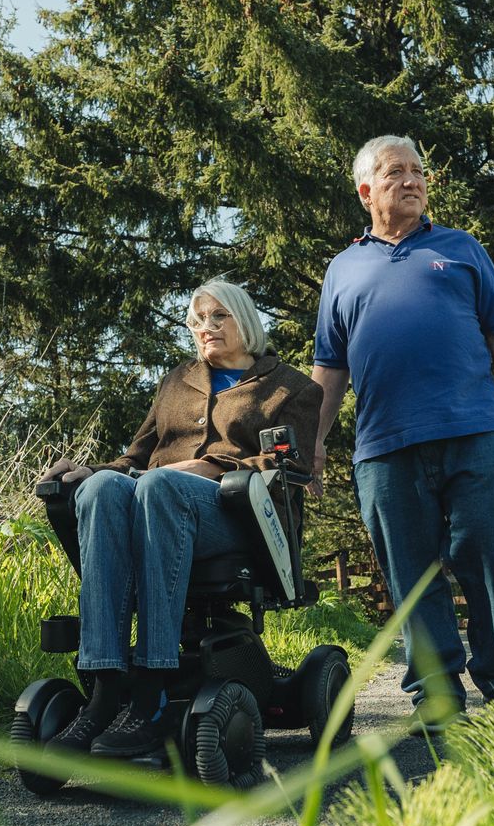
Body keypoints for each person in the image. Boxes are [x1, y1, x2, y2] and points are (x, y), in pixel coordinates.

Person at [41, 280, 323, 758]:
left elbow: (288, 467)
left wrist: (211, 467)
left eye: (218, 316)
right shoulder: (176, 382)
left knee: (160, 486)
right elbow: (136, 457)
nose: (205, 327)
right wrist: (89, 470)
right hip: (158, 504)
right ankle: (105, 692)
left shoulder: (291, 388)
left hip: (239, 517)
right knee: (102, 488)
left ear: (244, 319)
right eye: (197, 321)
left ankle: (151, 696)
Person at [310, 134, 494, 722]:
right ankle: (436, 697)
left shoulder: (461, 248)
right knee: (410, 575)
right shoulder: (342, 269)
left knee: (492, 560)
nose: (412, 180)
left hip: (475, 432)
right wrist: (313, 442)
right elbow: (329, 367)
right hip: (385, 448)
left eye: (418, 170)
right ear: (366, 191)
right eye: (396, 172)